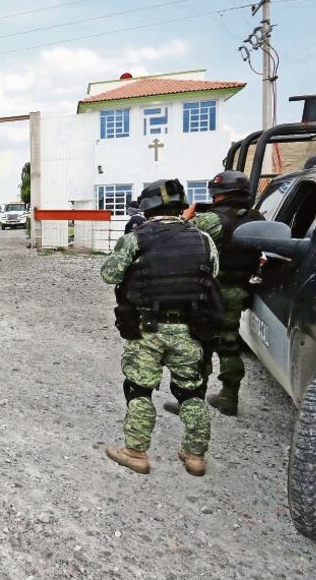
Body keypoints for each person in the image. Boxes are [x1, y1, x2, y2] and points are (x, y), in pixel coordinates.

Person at [101, 179, 222, 476]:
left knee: (139, 389)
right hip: (189, 329)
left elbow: (110, 274)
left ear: (147, 206)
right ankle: (194, 456)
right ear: (180, 205)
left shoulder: (136, 238)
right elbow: (213, 273)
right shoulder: (204, 239)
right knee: (191, 393)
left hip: (147, 330)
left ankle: (136, 452)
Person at [163, 171, 264, 417]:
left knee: (201, 344)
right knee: (229, 344)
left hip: (210, 292)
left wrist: (186, 218)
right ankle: (229, 397)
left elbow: (175, 238)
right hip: (239, 290)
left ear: (217, 195)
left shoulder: (212, 220)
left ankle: (191, 400)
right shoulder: (257, 219)